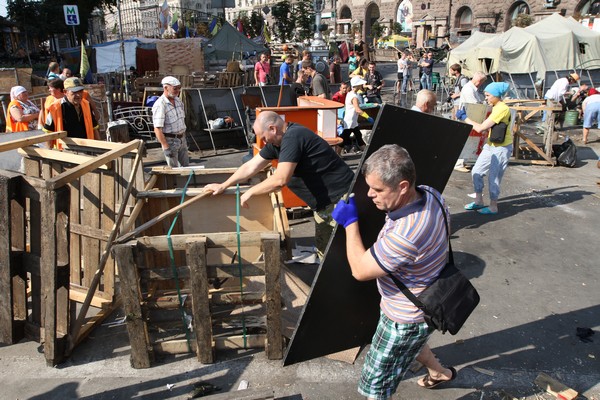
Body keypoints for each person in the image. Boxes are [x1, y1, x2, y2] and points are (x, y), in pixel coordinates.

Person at [331, 144, 457, 398]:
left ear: (403, 186)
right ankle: (439, 373)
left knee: (375, 385)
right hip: (426, 300)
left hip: (403, 317)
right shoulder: (431, 194)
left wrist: (350, 223)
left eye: (378, 190)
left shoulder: (406, 234)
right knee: (414, 344)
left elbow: (359, 270)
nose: (369, 195)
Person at [204, 111, 354, 253]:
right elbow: (250, 166)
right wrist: (224, 185)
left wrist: (250, 191)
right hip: (324, 204)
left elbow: (280, 179)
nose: (263, 142)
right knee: (328, 254)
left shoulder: (293, 137)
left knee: (343, 253)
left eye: (263, 137)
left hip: (339, 199)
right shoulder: (277, 143)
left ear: (272, 129)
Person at [457, 82, 512, 215]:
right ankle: (479, 201)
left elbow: (481, 127)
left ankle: (493, 206)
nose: (486, 98)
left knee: (494, 177)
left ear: (496, 95)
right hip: (491, 144)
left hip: (501, 148)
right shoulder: (495, 106)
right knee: (476, 171)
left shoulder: (502, 108)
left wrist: (465, 118)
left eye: (488, 95)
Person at [152, 76, 189, 167]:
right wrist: (166, 147)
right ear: (166, 88)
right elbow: (157, 129)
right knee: (174, 171)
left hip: (181, 139)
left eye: (179, 88)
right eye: (175, 88)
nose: (177, 91)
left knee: (187, 168)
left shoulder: (178, 100)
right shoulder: (160, 104)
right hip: (170, 141)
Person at [339, 76, 371, 154]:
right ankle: (336, 154)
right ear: (357, 85)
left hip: (352, 121)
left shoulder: (350, 93)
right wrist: (368, 117)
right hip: (350, 122)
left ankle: (367, 153)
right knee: (343, 139)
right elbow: (357, 109)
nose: (361, 86)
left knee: (358, 136)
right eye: (360, 84)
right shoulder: (354, 97)